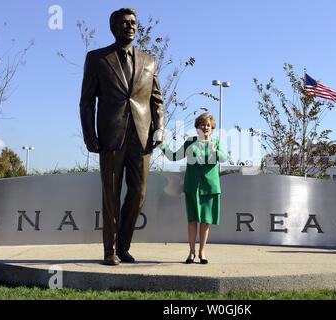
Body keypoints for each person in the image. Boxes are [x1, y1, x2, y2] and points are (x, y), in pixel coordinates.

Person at [79, 8, 164, 266]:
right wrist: (89, 135)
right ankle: (110, 250)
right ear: (114, 27)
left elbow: (156, 100)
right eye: (125, 23)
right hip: (110, 135)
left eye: (134, 23)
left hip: (142, 136)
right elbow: (86, 102)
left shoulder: (149, 61)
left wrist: (159, 128)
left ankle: (124, 246)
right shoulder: (97, 58)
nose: (131, 26)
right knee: (111, 194)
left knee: (138, 194)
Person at [161, 113, 227, 264]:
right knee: (192, 220)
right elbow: (174, 157)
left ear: (212, 128)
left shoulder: (216, 143)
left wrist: (214, 150)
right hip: (192, 186)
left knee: (205, 220)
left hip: (210, 187)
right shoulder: (190, 142)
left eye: (208, 125)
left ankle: (202, 253)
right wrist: (162, 145)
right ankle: (191, 253)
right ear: (197, 127)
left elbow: (224, 158)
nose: (205, 127)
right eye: (203, 124)